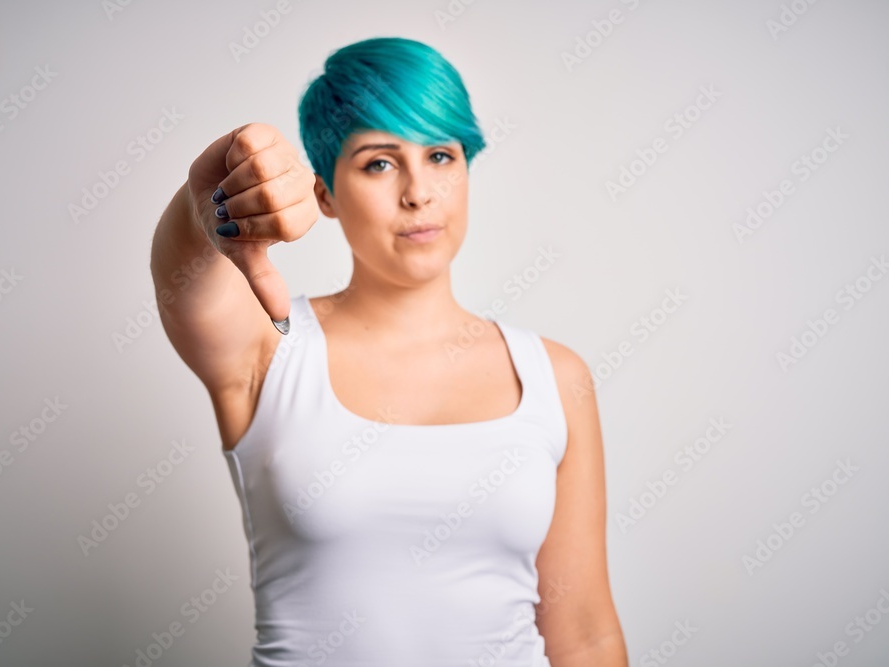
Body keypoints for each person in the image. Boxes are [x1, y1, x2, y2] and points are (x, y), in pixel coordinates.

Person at [150, 36, 626, 667]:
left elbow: (586, 634)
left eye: (440, 155)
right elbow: (187, 285)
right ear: (325, 193)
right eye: (379, 163)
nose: (418, 192)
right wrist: (201, 206)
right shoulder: (270, 349)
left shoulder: (554, 377)